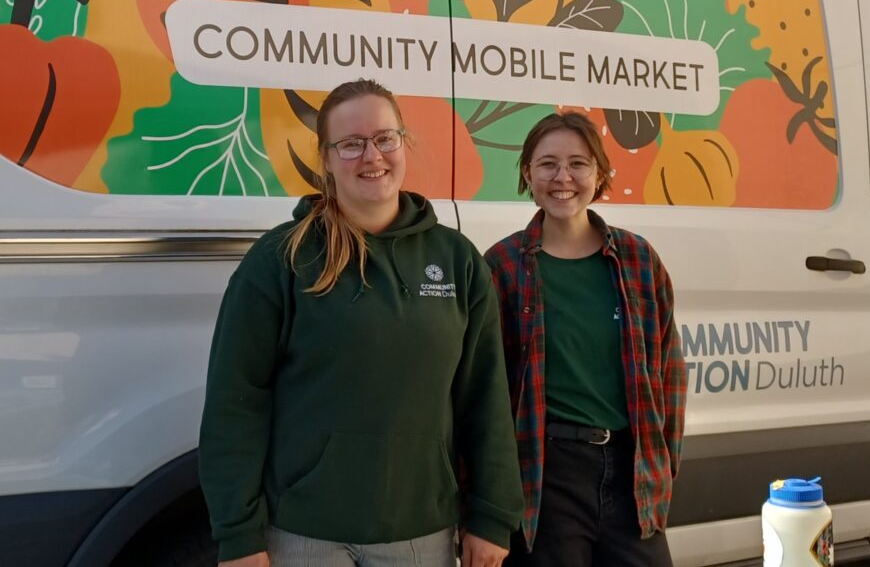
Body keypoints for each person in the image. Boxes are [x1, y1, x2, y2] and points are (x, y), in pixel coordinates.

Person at [199, 79, 523, 567]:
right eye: (350, 144)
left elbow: (486, 399)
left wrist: (492, 515)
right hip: (303, 535)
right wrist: (238, 536)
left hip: (421, 534)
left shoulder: (457, 261)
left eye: (384, 138)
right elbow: (235, 402)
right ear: (326, 159)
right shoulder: (280, 259)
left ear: (403, 143)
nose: (371, 156)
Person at [484, 112, 686, 567]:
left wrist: (662, 469)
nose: (563, 177)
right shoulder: (502, 266)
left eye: (578, 163)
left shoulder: (637, 259)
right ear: (527, 174)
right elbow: (484, 394)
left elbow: (669, 372)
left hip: (630, 474)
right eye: (547, 164)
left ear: (600, 173)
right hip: (546, 476)